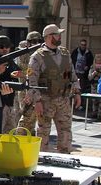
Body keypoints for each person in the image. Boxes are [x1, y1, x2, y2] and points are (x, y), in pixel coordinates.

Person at [19, 24, 81, 153]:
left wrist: (77, 92)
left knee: (65, 131)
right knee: (43, 133)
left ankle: (64, 155)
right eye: (56, 34)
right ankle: (41, 159)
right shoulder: (37, 56)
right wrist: (37, 101)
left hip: (63, 99)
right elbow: (32, 81)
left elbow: (72, 75)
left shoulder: (65, 53)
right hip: (45, 100)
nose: (59, 37)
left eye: (59, 34)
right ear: (48, 37)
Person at [87, 54, 101, 119]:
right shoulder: (92, 67)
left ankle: (100, 114)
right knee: (94, 100)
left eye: (99, 58)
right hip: (94, 85)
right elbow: (89, 77)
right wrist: (93, 74)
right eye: (97, 58)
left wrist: (98, 74)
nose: (98, 60)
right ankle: (94, 113)